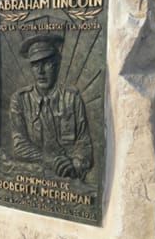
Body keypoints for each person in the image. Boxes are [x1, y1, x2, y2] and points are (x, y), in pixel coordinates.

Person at [9, 34, 93, 179]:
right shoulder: (20, 100)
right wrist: (50, 160)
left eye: (46, 63)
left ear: (58, 64)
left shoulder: (71, 98)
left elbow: (84, 143)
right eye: (35, 65)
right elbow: (19, 145)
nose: (40, 71)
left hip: (68, 180)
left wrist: (76, 164)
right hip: (32, 178)